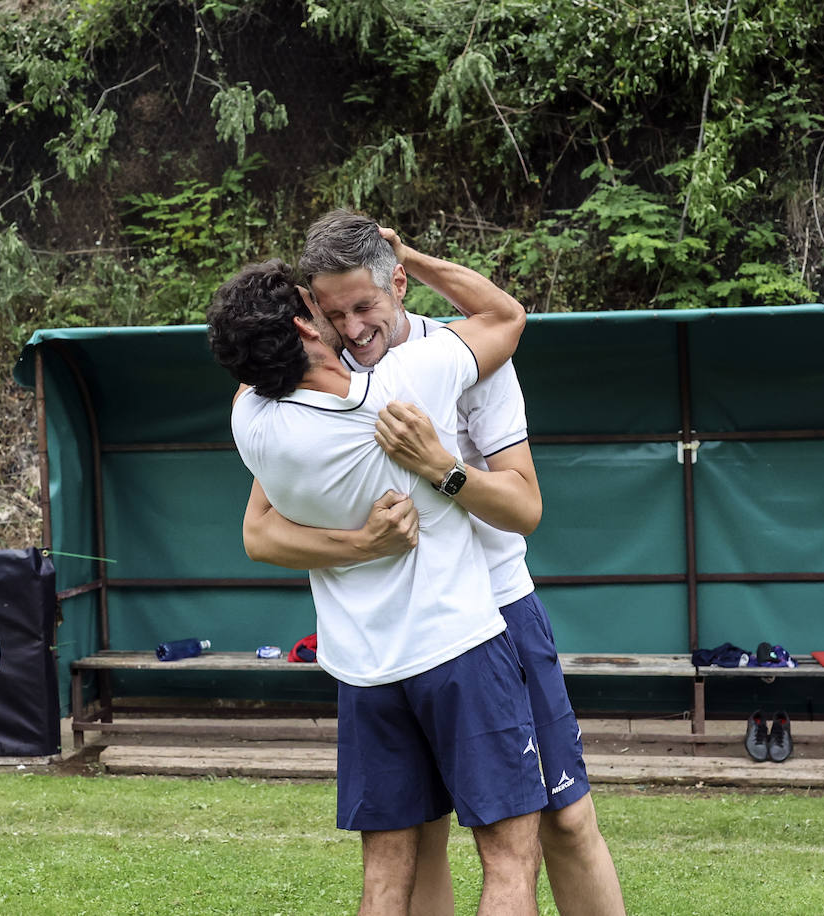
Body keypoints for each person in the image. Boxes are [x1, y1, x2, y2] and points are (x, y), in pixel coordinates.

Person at [244, 210, 626, 915]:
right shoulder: (313, 388)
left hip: (498, 615)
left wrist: (444, 470)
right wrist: (364, 544)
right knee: (418, 843)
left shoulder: (460, 353)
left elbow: (524, 508)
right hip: (399, 638)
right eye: (334, 314)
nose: (354, 328)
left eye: (365, 306)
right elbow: (261, 534)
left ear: (399, 281)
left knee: (564, 821)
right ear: (312, 317)